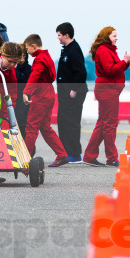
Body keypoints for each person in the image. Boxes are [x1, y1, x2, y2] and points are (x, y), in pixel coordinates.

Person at [82, 26, 130, 167]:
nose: (116, 38)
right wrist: (124, 61)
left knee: (103, 124)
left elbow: (115, 68)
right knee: (110, 125)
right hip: (108, 90)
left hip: (108, 90)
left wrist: (126, 63)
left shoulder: (107, 50)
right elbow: (110, 70)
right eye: (114, 35)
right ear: (107, 37)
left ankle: (89, 156)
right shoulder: (104, 50)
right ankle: (112, 158)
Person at [22, 34, 69, 167]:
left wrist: (26, 92)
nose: (27, 52)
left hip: (41, 94)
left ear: (33, 46)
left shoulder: (39, 59)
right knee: (45, 127)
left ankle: (24, 160)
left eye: (27, 49)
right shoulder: (47, 56)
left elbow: (35, 75)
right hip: (49, 92)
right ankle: (62, 154)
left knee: (31, 128)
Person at [55, 22, 87, 162]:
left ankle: (74, 153)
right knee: (63, 122)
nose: (58, 38)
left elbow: (81, 72)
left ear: (66, 35)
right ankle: (66, 151)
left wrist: (74, 89)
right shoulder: (66, 49)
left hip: (72, 93)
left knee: (71, 122)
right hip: (64, 93)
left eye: (59, 35)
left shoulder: (74, 50)